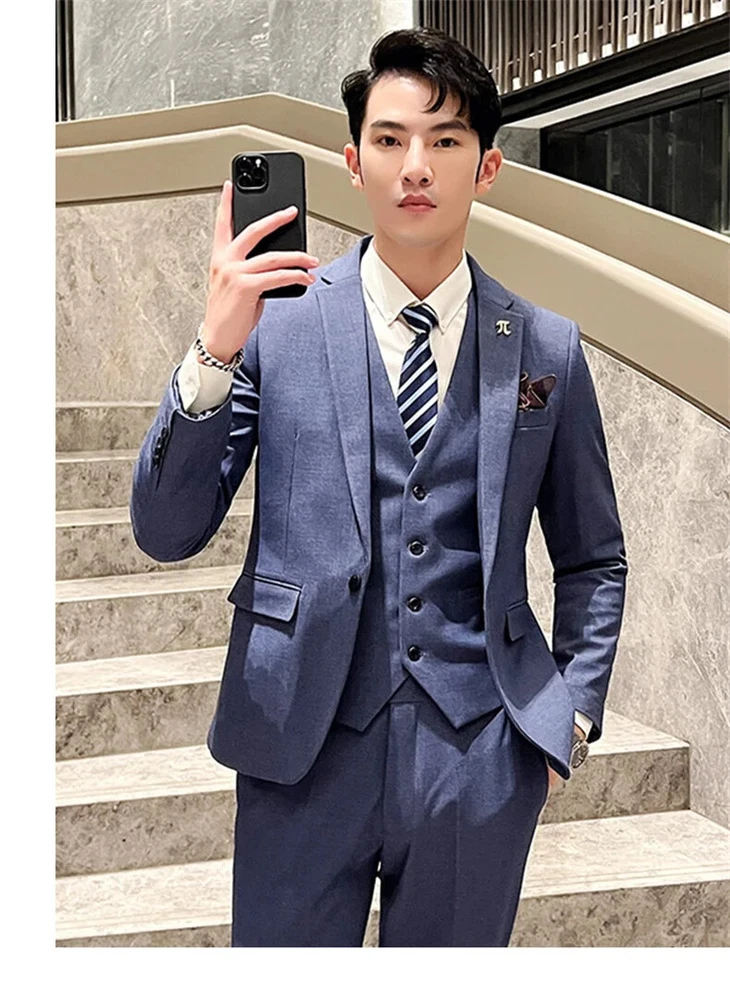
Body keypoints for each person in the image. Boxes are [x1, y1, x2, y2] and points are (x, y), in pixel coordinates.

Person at [130, 26, 628, 947]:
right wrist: (214, 347)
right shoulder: (274, 326)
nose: (417, 166)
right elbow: (166, 529)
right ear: (353, 164)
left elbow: (594, 557)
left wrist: (574, 713)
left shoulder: (545, 348)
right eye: (391, 139)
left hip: (479, 754)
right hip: (299, 742)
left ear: (487, 168)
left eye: (446, 140)